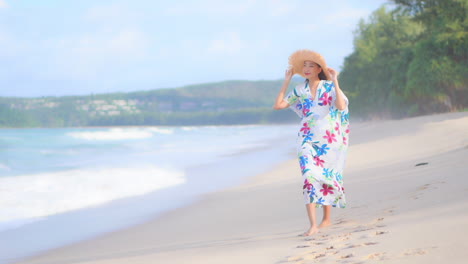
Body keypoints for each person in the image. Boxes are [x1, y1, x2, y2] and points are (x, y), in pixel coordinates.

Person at [273, 49, 350, 236]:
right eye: (304, 65)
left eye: (311, 65)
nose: (306, 69)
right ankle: (313, 225)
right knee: (309, 176)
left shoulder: (329, 87)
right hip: (306, 139)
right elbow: (279, 105)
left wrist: (335, 80)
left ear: (318, 69)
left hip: (329, 140)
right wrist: (286, 81)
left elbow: (340, 106)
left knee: (326, 176)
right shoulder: (300, 90)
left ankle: (327, 219)